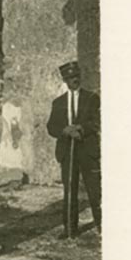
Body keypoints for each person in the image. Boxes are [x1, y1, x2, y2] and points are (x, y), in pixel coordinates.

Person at [46, 61, 101, 238]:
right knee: (70, 190)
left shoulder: (92, 98)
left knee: (95, 189)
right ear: (64, 80)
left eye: (76, 76)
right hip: (67, 152)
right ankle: (70, 229)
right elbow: (51, 127)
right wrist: (65, 130)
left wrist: (82, 130)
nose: (74, 80)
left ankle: (102, 226)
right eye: (70, 78)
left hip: (87, 151)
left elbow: (97, 121)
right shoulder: (58, 103)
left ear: (80, 77)